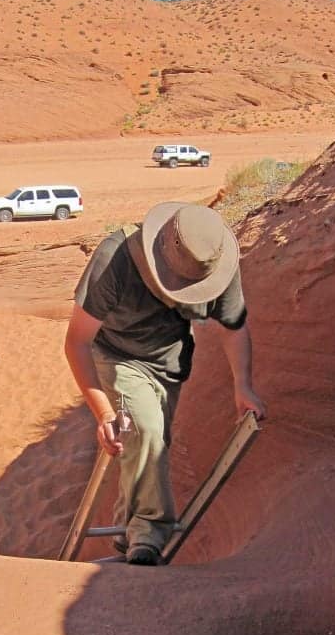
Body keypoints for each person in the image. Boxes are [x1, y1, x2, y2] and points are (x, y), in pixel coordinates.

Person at [64, 201, 266, 565]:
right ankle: (150, 532)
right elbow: (76, 341)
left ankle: (129, 538)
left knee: (147, 446)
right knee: (146, 430)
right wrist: (104, 412)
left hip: (169, 365)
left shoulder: (215, 260)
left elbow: (233, 328)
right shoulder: (116, 260)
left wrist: (243, 386)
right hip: (116, 356)